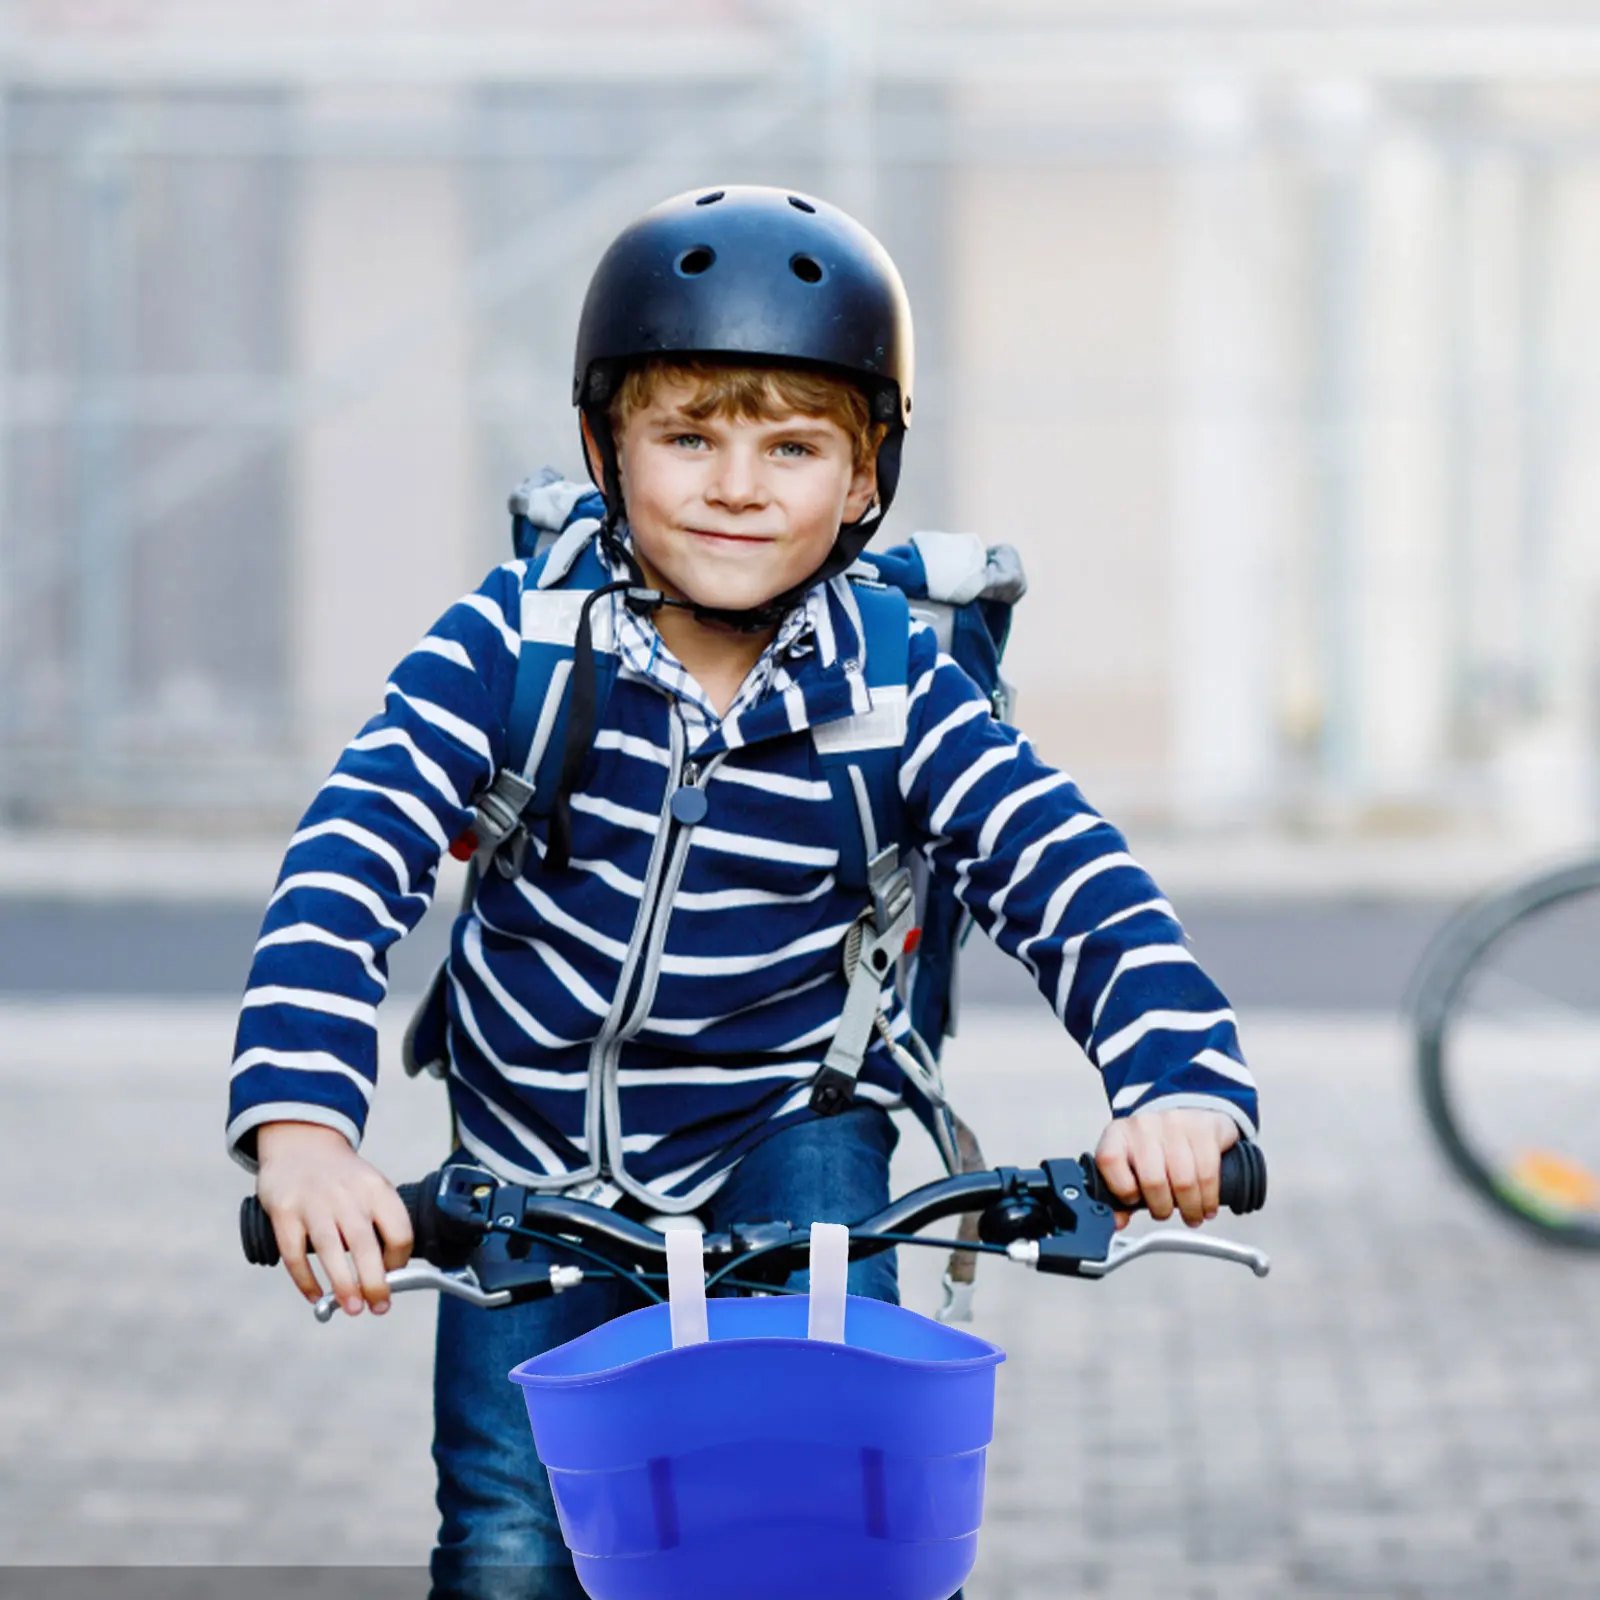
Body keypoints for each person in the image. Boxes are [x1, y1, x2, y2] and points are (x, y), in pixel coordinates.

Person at [228, 185, 1259, 1600]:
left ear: (863, 478)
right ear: (606, 447)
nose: (735, 484)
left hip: (787, 1129)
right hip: (529, 1148)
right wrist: (303, 1129)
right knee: (513, 1546)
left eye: (792, 444)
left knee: (826, 1531)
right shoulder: (513, 646)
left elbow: (1072, 877)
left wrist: (1177, 1086)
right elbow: (348, 861)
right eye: (688, 435)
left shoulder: (899, 691)